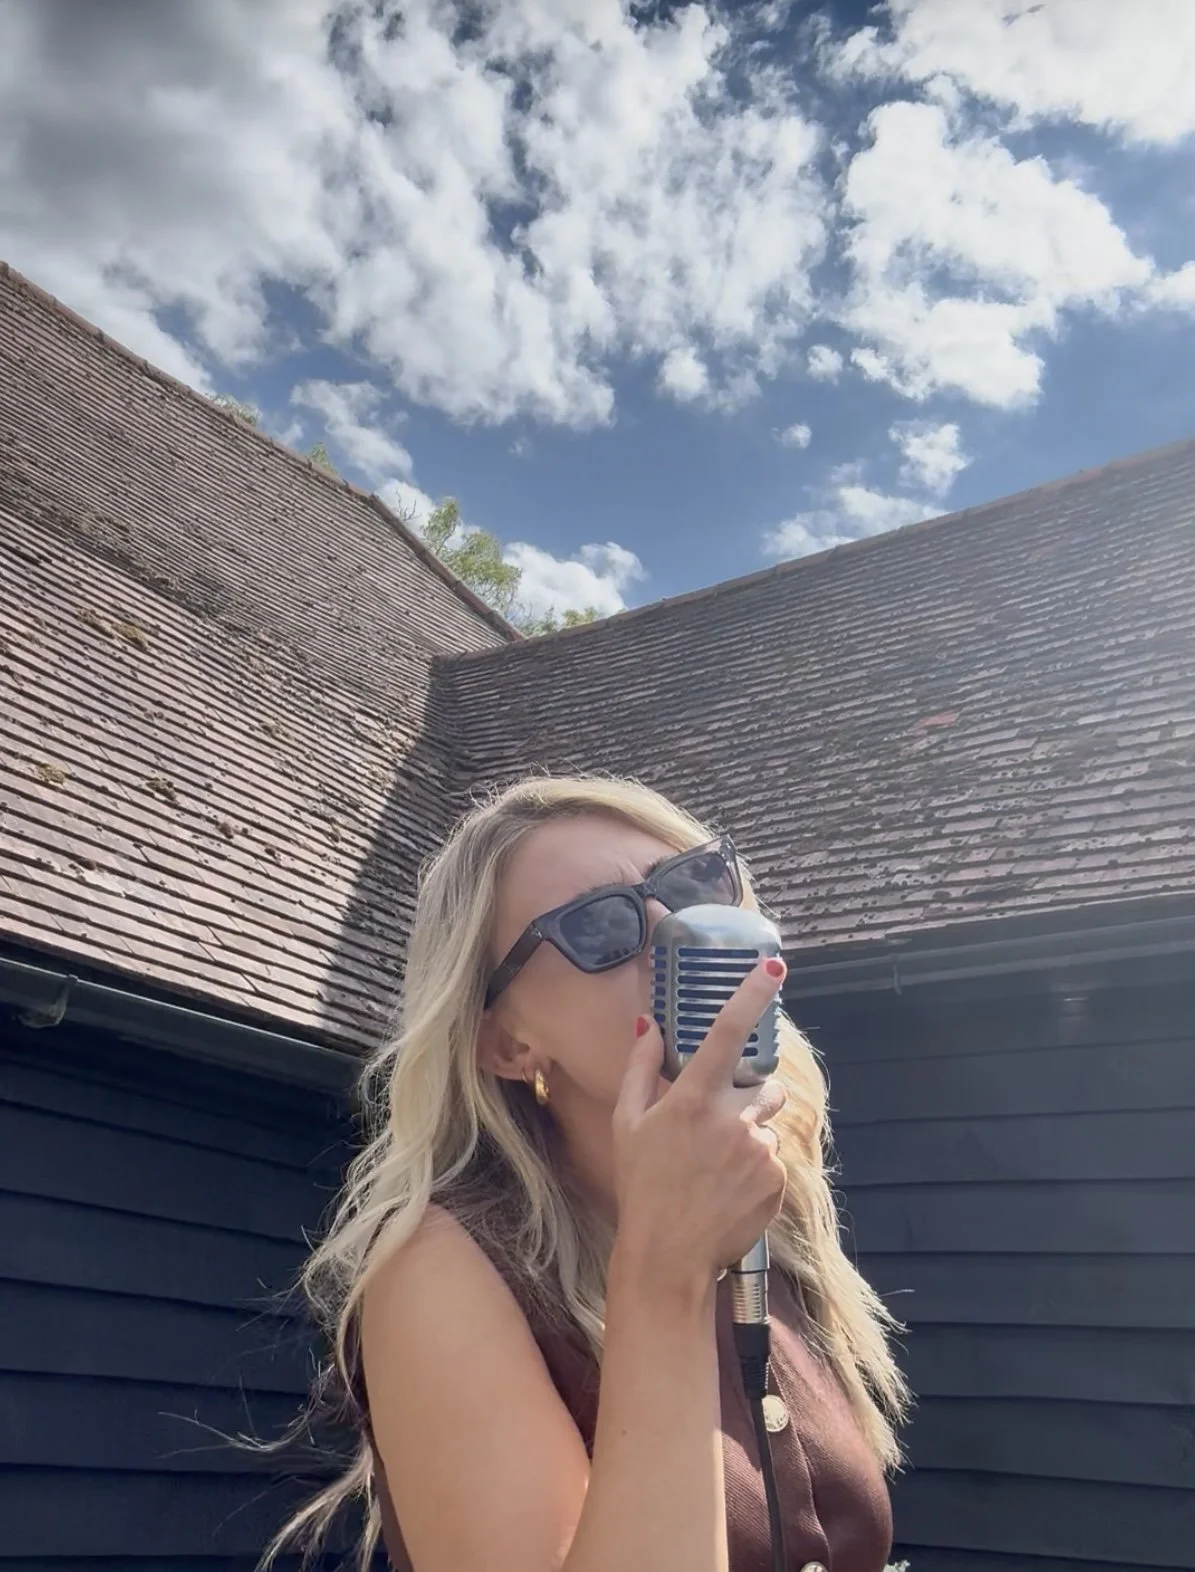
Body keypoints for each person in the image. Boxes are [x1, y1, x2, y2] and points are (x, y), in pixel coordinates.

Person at [267, 773, 908, 1572]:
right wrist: (664, 1270)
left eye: (696, 881)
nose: (675, 927)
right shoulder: (439, 1270)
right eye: (600, 929)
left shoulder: (769, 1224)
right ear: (506, 1044)